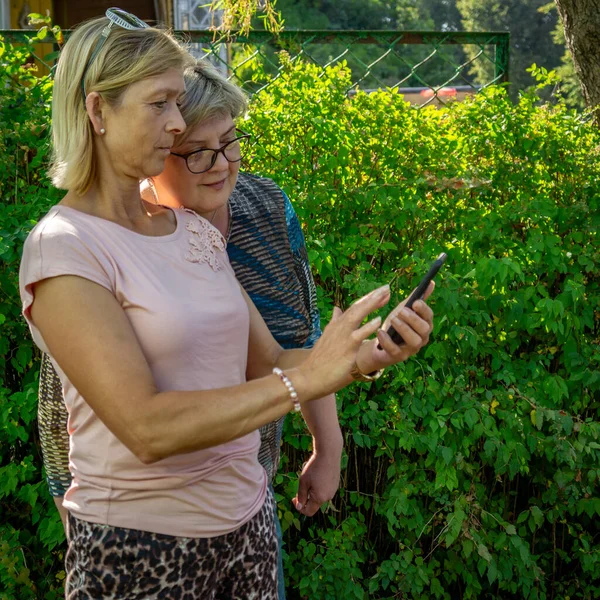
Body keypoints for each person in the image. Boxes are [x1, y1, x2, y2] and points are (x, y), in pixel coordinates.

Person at [20, 9, 434, 599]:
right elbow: (145, 428)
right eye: (160, 103)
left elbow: (267, 361)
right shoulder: (64, 250)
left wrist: (364, 355)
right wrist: (302, 383)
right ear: (97, 111)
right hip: (142, 550)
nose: (177, 121)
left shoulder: (191, 230)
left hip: (249, 529)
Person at [38, 59, 344, 599]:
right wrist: (71, 501)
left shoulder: (264, 207)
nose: (221, 164)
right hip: (143, 526)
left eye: (230, 143)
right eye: (198, 151)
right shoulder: (92, 241)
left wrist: (330, 433)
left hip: (244, 494)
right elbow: (70, 402)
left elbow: (295, 341)